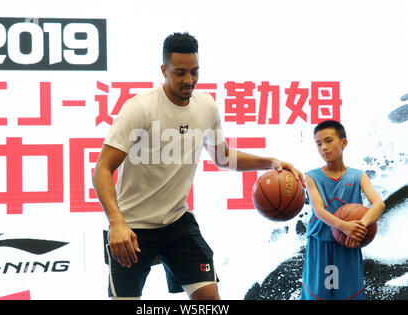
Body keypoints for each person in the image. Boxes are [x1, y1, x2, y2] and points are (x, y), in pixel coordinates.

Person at [92, 32, 305, 300]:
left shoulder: (206, 107)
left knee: (210, 301)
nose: (189, 80)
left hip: (176, 223)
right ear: (164, 70)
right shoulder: (140, 108)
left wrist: (270, 161)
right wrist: (116, 223)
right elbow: (101, 169)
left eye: (194, 72)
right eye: (180, 73)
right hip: (131, 228)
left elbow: (223, 157)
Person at [301, 120, 385, 300]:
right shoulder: (311, 176)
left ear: (343, 143)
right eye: (319, 144)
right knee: (317, 296)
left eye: (328, 141)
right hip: (320, 243)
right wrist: (344, 226)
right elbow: (319, 210)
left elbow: (379, 204)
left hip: (348, 244)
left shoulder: (358, 176)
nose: (323, 147)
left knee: (349, 296)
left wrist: (358, 228)